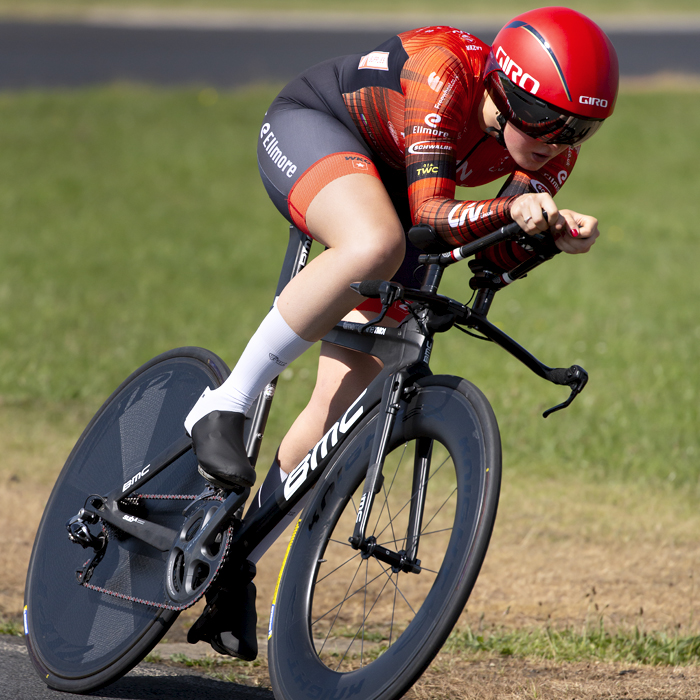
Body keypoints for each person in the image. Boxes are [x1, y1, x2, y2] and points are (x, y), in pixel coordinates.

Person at [185, 6, 619, 658]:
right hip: (319, 127)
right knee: (375, 245)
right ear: (501, 86)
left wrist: (546, 239)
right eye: (541, 114)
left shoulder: (552, 153)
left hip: (405, 187)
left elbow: (485, 262)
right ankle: (227, 400)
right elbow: (433, 218)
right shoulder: (444, 73)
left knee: (350, 397)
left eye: (579, 126)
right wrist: (512, 207)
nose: (555, 138)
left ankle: (232, 564)